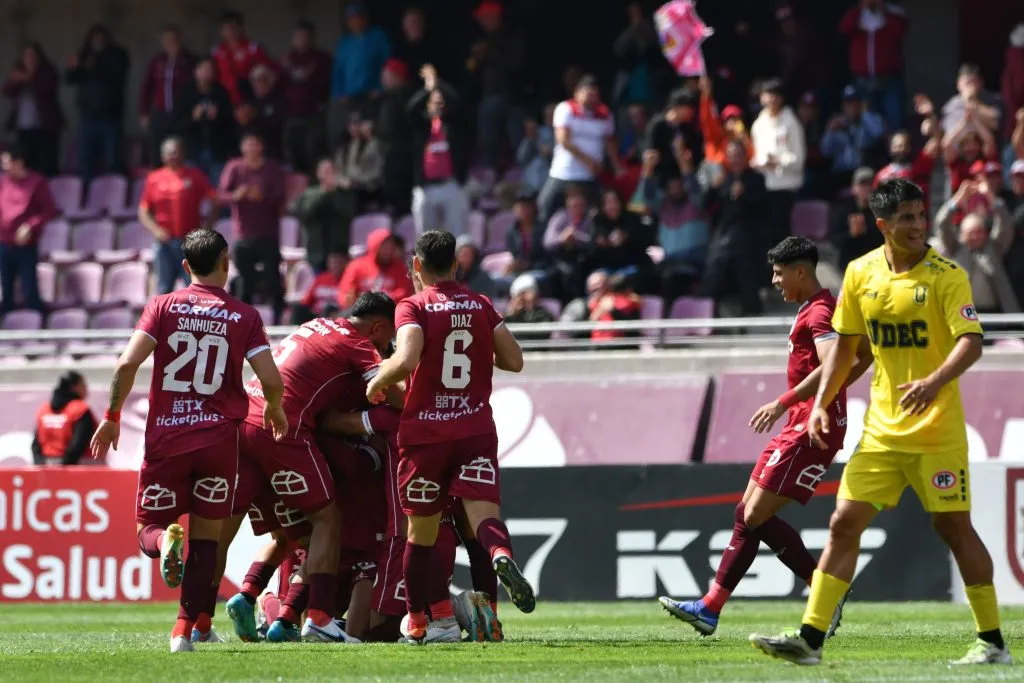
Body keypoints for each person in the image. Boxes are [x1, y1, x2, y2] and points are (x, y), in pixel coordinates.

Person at [750, 179, 1012, 666]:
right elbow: (846, 348)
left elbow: (971, 341)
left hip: (936, 431)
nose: (917, 226)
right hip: (881, 433)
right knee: (843, 525)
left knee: (955, 529)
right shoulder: (860, 273)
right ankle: (810, 639)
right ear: (883, 225)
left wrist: (933, 382)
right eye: (907, 218)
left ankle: (992, 642)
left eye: (920, 216)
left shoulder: (946, 275)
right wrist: (823, 401)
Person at [88, 228, 287, 653]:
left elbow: (127, 365)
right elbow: (271, 378)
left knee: (149, 530)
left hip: (168, 438)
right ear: (225, 263)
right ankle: (184, 632)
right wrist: (275, 407)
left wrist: (111, 416)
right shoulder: (245, 316)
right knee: (207, 541)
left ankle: (165, 543)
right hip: (219, 442)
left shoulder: (162, 306)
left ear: (184, 267)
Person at [661, 236, 870, 635]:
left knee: (754, 515)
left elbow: (834, 363)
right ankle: (710, 607)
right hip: (802, 421)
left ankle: (823, 591)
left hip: (810, 426)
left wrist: (787, 401)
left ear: (801, 272)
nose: (774, 280)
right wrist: (830, 393)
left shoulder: (821, 313)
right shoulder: (816, 309)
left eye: (778, 272)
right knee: (747, 514)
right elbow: (862, 356)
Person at [364, 230, 534, 643]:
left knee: (419, 535)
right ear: (456, 265)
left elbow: (405, 361)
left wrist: (375, 383)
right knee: (484, 522)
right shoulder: (480, 304)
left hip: (426, 435)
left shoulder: (414, 306)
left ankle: (420, 622)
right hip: (475, 429)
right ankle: (498, 579)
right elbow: (514, 361)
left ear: (417, 267)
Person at [219, 291, 397, 644]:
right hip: (283, 430)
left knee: (283, 534)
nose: (385, 347)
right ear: (377, 328)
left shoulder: (315, 324)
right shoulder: (356, 344)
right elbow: (393, 393)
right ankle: (317, 619)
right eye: (388, 338)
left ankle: (218, 611)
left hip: (245, 424)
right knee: (326, 522)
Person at [218, 132, 286, 322]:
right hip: (243, 236)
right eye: (248, 145)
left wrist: (262, 197)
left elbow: (281, 197)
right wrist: (236, 196)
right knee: (243, 281)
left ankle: (278, 319)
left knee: (273, 279)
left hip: (268, 234)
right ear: (242, 148)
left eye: (255, 144)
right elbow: (221, 195)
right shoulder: (234, 167)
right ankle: (242, 321)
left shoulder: (272, 168)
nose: (252, 149)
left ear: (261, 147)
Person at [139, 137, 218, 294]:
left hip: (190, 243)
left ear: (183, 154)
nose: (173, 156)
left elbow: (215, 200)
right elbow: (143, 211)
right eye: (169, 153)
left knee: (195, 289)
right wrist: (156, 230)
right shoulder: (154, 178)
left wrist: (207, 227)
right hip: (165, 244)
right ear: (163, 156)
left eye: (176, 152)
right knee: (163, 289)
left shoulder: (195, 176)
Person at [538, 75, 619, 226]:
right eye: (588, 93)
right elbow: (564, 141)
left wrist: (617, 166)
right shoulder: (565, 108)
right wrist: (588, 161)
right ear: (577, 93)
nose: (591, 98)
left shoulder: (605, 114)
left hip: (591, 176)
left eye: (594, 94)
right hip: (564, 173)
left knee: (601, 212)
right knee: (545, 208)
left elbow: (609, 143)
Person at [700, 140, 768, 316]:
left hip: (748, 234)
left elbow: (760, 204)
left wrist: (743, 194)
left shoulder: (755, 178)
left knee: (745, 268)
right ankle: (709, 313)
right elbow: (705, 205)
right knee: (714, 271)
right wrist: (714, 187)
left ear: (745, 157)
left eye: (738, 155)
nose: (735, 159)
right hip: (725, 233)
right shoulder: (724, 179)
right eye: (731, 156)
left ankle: (751, 310)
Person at [934, 184, 1019, 314]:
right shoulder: (955, 248)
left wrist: (990, 196)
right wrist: (957, 199)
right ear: (961, 234)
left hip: (995, 315)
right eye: (970, 232)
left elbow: (1005, 225)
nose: (975, 236)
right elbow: (942, 224)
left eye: (979, 232)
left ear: (985, 233)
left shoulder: (993, 248)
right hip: (960, 314)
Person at [409, 64, 470, 236]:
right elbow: (411, 109)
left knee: (458, 237)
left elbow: (457, 103)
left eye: (441, 102)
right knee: (426, 242)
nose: (438, 105)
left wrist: (438, 84)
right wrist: (428, 90)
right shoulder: (421, 126)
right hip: (425, 188)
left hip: (451, 184)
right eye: (434, 102)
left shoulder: (454, 125)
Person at [65, 24, 129, 186]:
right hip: (88, 116)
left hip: (110, 115)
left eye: (101, 37)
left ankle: (114, 193)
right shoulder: (84, 55)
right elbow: (70, 79)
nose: (98, 40)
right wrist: (74, 67)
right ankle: (86, 196)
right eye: (95, 37)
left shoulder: (117, 54)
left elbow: (118, 75)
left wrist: (95, 65)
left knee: (113, 159)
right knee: (85, 159)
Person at [0, 144, 57, 314]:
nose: (4, 166)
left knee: (29, 287)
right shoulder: (3, 182)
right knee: (6, 289)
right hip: (4, 242)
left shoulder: (36, 182)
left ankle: (38, 326)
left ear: (19, 162)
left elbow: (48, 210)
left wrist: (30, 226)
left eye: (7, 162)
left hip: (25, 244)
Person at [751, 79, 805, 251]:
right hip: (763, 187)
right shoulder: (758, 125)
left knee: (782, 237)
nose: (771, 99)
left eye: (776, 95)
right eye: (768, 95)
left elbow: (799, 159)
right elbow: (756, 156)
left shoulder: (791, 123)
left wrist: (778, 161)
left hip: (784, 189)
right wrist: (761, 163)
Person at [2, 42, 63, 176]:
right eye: (26, 56)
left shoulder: (47, 71)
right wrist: (18, 80)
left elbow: (48, 89)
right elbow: (7, 91)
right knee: (25, 164)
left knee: (46, 166)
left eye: (33, 55)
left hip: (44, 127)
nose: (30, 59)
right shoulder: (19, 72)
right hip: (23, 127)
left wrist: (31, 76)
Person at [139, 26, 196, 166]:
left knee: (182, 151)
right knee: (157, 154)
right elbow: (146, 88)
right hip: (161, 114)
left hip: (182, 115)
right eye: (166, 40)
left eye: (173, 40)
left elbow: (197, 87)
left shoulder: (189, 61)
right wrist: (144, 112)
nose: (170, 43)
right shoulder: (157, 62)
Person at [281, 21, 332, 176]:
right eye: (298, 37)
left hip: (313, 114)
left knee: (314, 150)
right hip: (292, 113)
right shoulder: (287, 59)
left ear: (311, 39)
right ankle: (298, 184)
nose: (301, 40)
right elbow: (279, 84)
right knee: (293, 151)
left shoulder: (321, 58)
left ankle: (316, 182)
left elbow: (329, 83)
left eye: (304, 37)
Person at [175, 58, 236, 183]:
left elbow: (230, 123)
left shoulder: (221, 92)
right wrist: (194, 118)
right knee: (191, 189)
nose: (207, 73)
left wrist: (216, 117)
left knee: (216, 191)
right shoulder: (186, 93)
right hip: (192, 152)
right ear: (196, 72)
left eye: (210, 70)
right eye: (204, 69)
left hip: (216, 152)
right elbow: (177, 125)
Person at [288, 157, 352, 273]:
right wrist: (324, 194)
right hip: (316, 250)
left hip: (338, 251)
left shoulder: (344, 194)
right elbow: (305, 213)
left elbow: (348, 213)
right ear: (318, 174)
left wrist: (336, 191)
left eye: (331, 171)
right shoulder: (309, 194)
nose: (329, 175)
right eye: (325, 171)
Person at [336, 228, 414, 310]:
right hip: (360, 312)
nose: (387, 250)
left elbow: (404, 293)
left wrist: (379, 301)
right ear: (375, 246)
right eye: (384, 246)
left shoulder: (400, 268)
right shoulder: (356, 266)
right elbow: (345, 292)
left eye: (390, 246)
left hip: (389, 313)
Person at [32, 371, 97, 466]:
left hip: (46, 467)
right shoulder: (81, 410)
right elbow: (79, 444)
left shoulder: (44, 410)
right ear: (74, 387)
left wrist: (41, 466)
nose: (86, 388)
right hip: (76, 468)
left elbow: (35, 445)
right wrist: (63, 467)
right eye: (83, 384)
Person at [212, 10, 276, 106]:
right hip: (223, 101)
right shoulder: (216, 51)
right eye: (226, 28)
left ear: (241, 28)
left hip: (249, 101)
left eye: (233, 27)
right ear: (221, 31)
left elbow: (268, 73)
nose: (230, 31)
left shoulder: (253, 48)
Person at [831, 167, 885, 269]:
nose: (867, 188)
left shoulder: (882, 212)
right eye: (862, 184)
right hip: (849, 266)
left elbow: (886, 242)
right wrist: (851, 234)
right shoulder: (843, 210)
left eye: (871, 184)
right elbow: (835, 241)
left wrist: (867, 230)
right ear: (853, 188)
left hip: (877, 267)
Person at [289, 252, 346, 324]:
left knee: (328, 308)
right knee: (298, 309)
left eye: (338, 262)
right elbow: (307, 300)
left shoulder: (347, 279)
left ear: (344, 264)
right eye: (333, 262)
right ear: (328, 264)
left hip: (336, 315)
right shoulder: (321, 278)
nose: (336, 265)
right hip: (317, 313)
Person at [455, 234, 497, 299]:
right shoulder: (450, 276)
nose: (466, 260)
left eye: (469, 255)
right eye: (463, 255)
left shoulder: (483, 278)